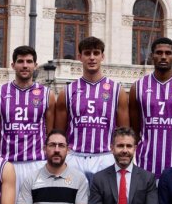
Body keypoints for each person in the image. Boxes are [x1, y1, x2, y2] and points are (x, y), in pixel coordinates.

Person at [50, 37, 129, 175]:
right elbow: (59, 132)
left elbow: (124, 131)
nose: (92, 58)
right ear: (80, 57)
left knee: (105, 197)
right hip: (75, 156)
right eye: (87, 53)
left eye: (96, 53)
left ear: (102, 56)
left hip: (105, 156)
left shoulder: (117, 91)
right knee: (73, 197)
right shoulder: (67, 91)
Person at [130, 37, 172, 179]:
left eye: (168, 53)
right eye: (159, 53)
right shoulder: (138, 87)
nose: (163, 56)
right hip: (146, 164)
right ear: (151, 55)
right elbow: (134, 130)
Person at [0, 45, 51, 193]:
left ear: (35, 65)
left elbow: (50, 130)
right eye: (20, 61)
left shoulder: (47, 94)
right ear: (13, 65)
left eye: (29, 61)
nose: (25, 65)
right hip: (7, 161)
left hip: (37, 162)